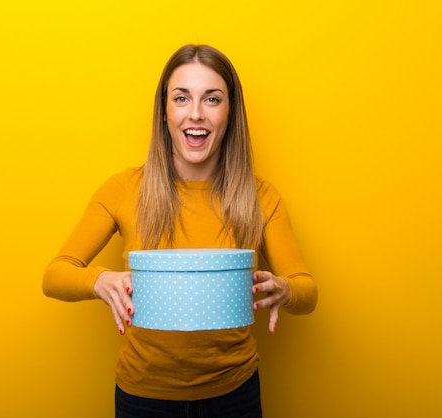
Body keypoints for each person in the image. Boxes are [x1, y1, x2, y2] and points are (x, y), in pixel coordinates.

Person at [43, 44, 318, 418]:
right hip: (143, 397)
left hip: (235, 394)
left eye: (212, 99)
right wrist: (99, 280)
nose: (196, 114)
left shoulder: (261, 197)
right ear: (164, 111)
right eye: (181, 97)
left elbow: (307, 289)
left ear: (230, 112)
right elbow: (55, 274)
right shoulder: (123, 190)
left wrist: (285, 290)